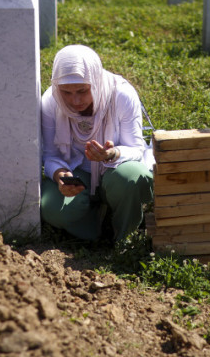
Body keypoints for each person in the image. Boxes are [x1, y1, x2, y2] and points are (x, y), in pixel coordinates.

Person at [40, 45, 154, 242]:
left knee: (132, 178)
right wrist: (60, 176)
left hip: (116, 169)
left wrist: (111, 154)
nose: (75, 101)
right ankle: (98, 230)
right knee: (52, 208)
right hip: (79, 173)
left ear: (96, 80)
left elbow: (136, 149)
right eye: (66, 92)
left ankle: (124, 237)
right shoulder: (52, 101)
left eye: (82, 90)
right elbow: (50, 155)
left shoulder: (121, 95)